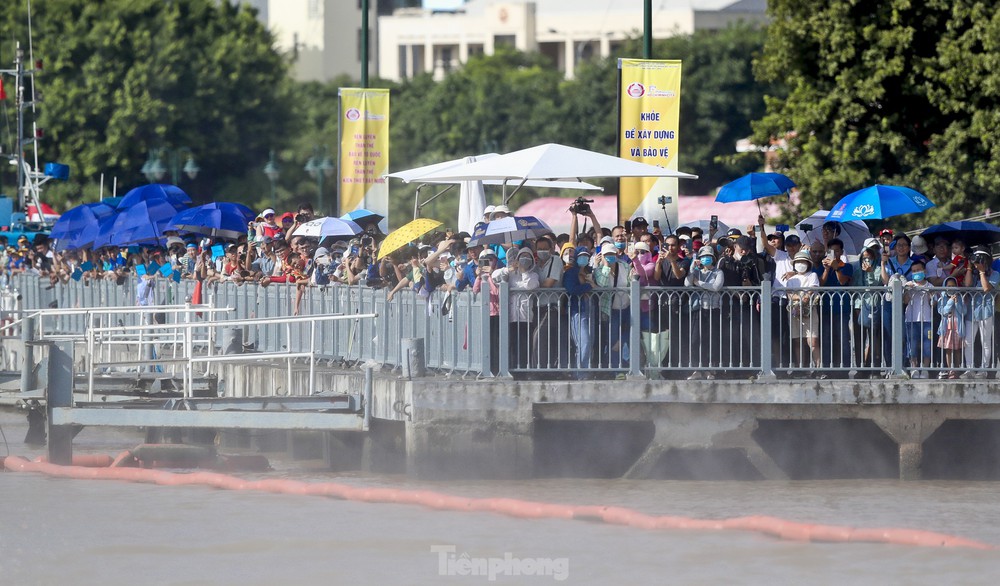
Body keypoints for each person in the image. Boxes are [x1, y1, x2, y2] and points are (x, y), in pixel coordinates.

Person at [491, 247, 540, 372]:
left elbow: (530, 285)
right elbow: (495, 276)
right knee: (510, 345)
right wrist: (509, 269)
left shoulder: (533, 274)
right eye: (521, 257)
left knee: (523, 345)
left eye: (527, 257)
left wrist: (523, 271)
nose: (524, 259)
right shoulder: (510, 273)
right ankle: (509, 370)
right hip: (509, 316)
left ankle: (522, 371)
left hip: (525, 317)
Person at [684, 246, 724, 380]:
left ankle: (708, 369)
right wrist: (691, 268)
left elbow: (716, 287)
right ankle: (697, 369)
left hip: (713, 309)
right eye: (702, 257)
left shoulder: (718, 272)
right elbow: (687, 284)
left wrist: (699, 283)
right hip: (698, 309)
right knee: (695, 340)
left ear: (712, 258)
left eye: (708, 256)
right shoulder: (697, 271)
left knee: (710, 340)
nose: (705, 259)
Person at [594, 241, 634, 373]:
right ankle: (616, 371)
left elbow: (630, 283)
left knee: (628, 338)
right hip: (611, 310)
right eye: (607, 254)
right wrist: (605, 266)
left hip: (627, 307)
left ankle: (629, 368)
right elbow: (603, 284)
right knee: (613, 340)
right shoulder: (599, 270)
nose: (610, 256)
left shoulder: (624, 266)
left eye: (612, 254)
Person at [530, 236, 566, 374]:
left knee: (539, 338)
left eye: (545, 249)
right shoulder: (535, 265)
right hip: (537, 308)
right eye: (539, 249)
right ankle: (541, 370)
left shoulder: (555, 261)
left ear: (551, 249)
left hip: (551, 307)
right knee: (541, 341)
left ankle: (540, 372)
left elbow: (549, 283)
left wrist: (532, 286)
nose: (542, 251)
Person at [961, 246, 999, 379]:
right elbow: (967, 284)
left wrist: (982, 272)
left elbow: (986, 288)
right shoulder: (973, 272)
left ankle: (983, 369)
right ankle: (969, 369)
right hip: (972, 310)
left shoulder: (995, 274)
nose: (979, 261)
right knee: (968, 341)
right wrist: (970, 268)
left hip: (986, 310)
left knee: (986, 341)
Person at [817, 238, 853, 372]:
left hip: (842, 309)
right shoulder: (822, 266)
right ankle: (826, 368)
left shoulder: (847, 266)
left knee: (842, 338)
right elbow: (820, 284)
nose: (834, 253)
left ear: (841, 252)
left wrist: (836, 267)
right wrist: (827, 269)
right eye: (831, 251)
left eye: (837, 251)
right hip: (825, 307)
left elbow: (843, 281)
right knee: (825, 339)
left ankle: (845, 368)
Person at [852, 238, 885, 376]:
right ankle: (861, 368)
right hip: (859, 305)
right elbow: (854, 285)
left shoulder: (878, 268)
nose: (867, 259)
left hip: (874, 305)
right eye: (865, 257)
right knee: (859, 337)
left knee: (875, 337)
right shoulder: (856, 267)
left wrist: (871, 272)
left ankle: (875, 368)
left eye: (870, 257)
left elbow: (878, 283)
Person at [563, 246, 596, 378]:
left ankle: (585, 373)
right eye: (581, 255)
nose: (584, 258)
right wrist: (588, 286)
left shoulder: (590, 271)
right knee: (584, 342)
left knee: (590, 342)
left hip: (590, 309)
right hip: (578, 310)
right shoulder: (570, 272)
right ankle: (581, 375)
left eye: (586, 256)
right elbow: (571, 288)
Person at [786, 250, 821, 375]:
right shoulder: (791, 279)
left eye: (803, 261)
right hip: (794, 311)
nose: (800, 264)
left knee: (813, 341)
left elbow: (812, 290)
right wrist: (801, 297)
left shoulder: (812, 275)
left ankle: (818, 368)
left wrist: (802, 297)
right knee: (797, 340)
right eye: (798, 262)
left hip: (810, 310)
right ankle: (801, 368)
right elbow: (789, 295)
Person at [903, 259, 933, 378]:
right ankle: (914, 368)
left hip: (927, 319)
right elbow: (905, 301)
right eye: (914, 271)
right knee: (912, 344)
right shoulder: (909, 284)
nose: (917, 273)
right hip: (911, 319)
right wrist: (906, 290)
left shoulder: (930, 285)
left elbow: (933, 303)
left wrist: (930, 293)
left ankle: (925, 368)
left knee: (927, 345)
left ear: (924, 270)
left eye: (919, 270)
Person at [936, 276, 966, 379]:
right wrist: (950, 302)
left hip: (957, 325)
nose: (951, 288)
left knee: (957, 350)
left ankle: (956, 370)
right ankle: (950, 370)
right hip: (947, 326)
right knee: (948, 349)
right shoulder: (942, 298)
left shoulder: (960, 297)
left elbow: (964, 312)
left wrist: (957, 302)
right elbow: (942, 311)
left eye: (953, 286)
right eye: (949, 286)